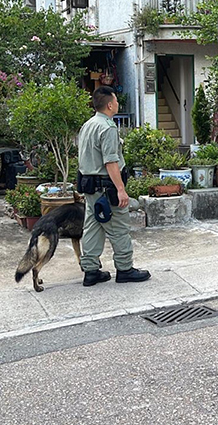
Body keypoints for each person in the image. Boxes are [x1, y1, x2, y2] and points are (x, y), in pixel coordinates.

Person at [76, 86, 151, 287]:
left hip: (90, 187)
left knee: (92, 226)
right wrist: (120, 189)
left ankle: (91, 271)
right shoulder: (108, 128)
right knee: (118, 227)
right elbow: (111, 162)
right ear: (110, 104)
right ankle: (125, 269)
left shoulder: (88, 125)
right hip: (107, 189)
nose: (117, 103)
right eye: (116, 100)